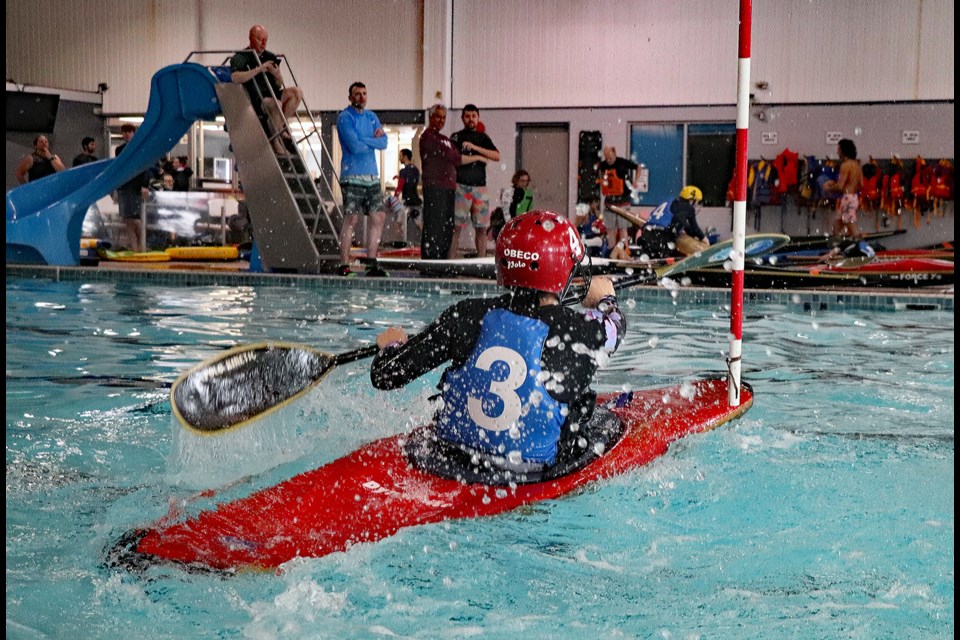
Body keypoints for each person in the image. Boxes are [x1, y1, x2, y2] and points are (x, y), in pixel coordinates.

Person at [370, 210, 626, 484]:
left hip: (448, 461)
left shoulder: (466, 315)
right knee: (591, 416)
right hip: (529, 475)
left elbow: (385, 374)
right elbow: (616, 325)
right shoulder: (580, 331)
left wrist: (392, 345)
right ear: (560, 269)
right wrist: (606, 300)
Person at [335, 82, 389, 277]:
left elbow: (384, 143)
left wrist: (363, 138)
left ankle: (371, 263)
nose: (361, 97)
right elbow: (354, 146)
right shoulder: (345, 117)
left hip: (372, 176)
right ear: (350, 97)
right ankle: (343, 264)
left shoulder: (372, 117)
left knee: (379, 217)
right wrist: (371, 140)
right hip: (352, 175)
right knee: (352, 218)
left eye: (364, 93)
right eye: (357, 94)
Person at [229, 24, 303, 155]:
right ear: (251, 38)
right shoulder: (241, 57)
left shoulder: (271, 57)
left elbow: (279, 84)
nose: (263, 43)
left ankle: (279, 127)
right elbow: (235, 77)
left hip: (272, 93)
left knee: (297, 93)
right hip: (256, 98)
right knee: (276, 103)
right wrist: (258, 70)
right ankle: (275, 140)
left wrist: (277, 74)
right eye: (259, 39)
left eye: (265, 40)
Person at [450, 104, 500, 258]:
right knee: (456, 227)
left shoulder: (483, 138)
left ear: (478, 118)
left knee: (481, 228)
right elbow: (454, 159)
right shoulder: (456, 137)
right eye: (467, 116)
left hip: (480, 189)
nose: (471, 119)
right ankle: (449, 262)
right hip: (461, 187)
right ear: (462, 118)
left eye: (473, 116)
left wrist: (475, 147)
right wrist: (478, 157)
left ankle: (481, 262)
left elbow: (496, 156)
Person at [419, 103, 462, 260]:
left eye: (444, 117)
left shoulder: (444, 139)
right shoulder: (428, 136)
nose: (441, 120)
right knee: (434, 225)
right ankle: (431, 260)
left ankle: (441, 259)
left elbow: (456, 157)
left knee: (446, 226)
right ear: (431, 117)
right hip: (435, 187)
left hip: (448, 188)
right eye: (438, 116)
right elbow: (455, 157)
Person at [635, 185, 709, 259]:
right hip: (662, 238)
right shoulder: (687, 207)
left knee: (648, 260)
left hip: (647, 235)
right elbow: (694, 228)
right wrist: (703, 238)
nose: (696, 205)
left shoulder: (671, 203)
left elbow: (684, 225)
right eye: (696, 202)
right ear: (691, 200)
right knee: (662, 261)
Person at [114, 123, 151, 252]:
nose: (126, 134)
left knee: (136, 218)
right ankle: (135, 247)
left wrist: (145, 185)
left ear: (134, 133)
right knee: (127, 219)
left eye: (129, 132)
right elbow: (118, 168)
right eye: (124, 132)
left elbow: (145, 167)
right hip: (124, 185)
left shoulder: (141, 148)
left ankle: (143, 245)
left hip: (136, 186)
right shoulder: (119, 149)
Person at [596, 146, 640, 253]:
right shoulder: (603, 165)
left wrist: (635, 181)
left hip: (623, 200)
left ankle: (624, 250)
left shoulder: (622, 162)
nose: (609, 160)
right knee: (611, 229)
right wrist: (602, 183)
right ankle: (611, 251)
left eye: (610, 157)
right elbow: (599, 173)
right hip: (610, 201)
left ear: (614, 154)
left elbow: (638, 167)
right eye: (607, 158)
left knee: (623, 228)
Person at [830, 138, 864, 238]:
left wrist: (829, 187)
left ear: (843, 151)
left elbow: (840, 186)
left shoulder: (845, 165)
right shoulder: (857, 165)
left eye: (839, 150)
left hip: (847, 198)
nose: (837, 152)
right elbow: (861, 185)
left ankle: (861, 248)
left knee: (851, 227)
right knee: (836, 226)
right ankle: (836, 247)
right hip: (853, 198)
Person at [395, 148, 422, 222]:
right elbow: (410, 181)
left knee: (400, 224)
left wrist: (395, 197)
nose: (399, 158)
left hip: (406, 202)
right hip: (416, 200)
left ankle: (402, 233)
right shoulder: (416, 170)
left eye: (400, 156)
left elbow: (400, 187)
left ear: (405, 157)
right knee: (419, 223)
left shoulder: (403, 171)